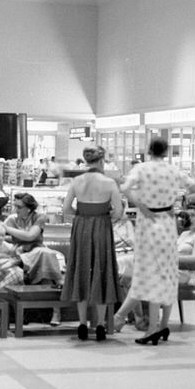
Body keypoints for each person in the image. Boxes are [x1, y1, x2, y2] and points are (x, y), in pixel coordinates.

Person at [122, 137, 195, 345]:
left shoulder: (142, 169)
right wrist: (178, 200)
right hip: (168, 224)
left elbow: (125, 188)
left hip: (148, 225)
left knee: (149, 272)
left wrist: (141, 205)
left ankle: (151, 329)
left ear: (149, 150)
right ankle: (163, 326)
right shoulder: (173, 171)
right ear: (166, 151)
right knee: (167, 273)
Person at [60, 145, 123, 340]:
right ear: (102, 161)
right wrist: (104, 217)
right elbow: (119, 211)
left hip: (81, 227)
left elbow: (66, 208)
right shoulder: (109, 182)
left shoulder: (77, 181)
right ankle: (101, 323)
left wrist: (82, 215)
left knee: (81, 268)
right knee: (101, 270)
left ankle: (81, 323)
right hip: (102, 227)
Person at [0, 191, 65, 288]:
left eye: (19, 207)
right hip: (19, 250)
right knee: (44, 254)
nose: (15, 209)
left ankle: (19, 261)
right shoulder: (11, 219)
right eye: (15, 206)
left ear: (28, 209)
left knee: (45, 253)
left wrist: (7, 229)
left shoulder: (39, 217)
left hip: (35, 249)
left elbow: (30, 236)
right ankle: (58, 282)